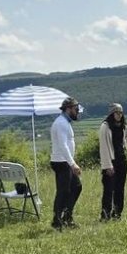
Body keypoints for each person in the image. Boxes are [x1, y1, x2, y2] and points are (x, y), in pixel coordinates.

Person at [49, 96, 83, 230]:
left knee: (76, 187)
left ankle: (66, 217)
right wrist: (72, 163)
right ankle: (57, 221)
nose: (77, 111)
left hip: (64, 162)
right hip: (62, 162)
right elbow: (63, 145)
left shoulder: (64, 122)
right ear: (68, 109)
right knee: (63, 192)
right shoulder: (61, 123)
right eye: (75, 109)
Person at [98, 103, 127, 220]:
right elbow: (103, 147)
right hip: (110, 162)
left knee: (120, 189)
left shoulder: (122, 125)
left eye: (121, 113)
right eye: (117, 112)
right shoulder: (105, 126)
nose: (119, 115)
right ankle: (105, 215)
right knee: (108, 190)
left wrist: (124, 147)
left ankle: (117, 214)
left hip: (122, 161)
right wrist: (108, 165)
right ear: (112, 113)